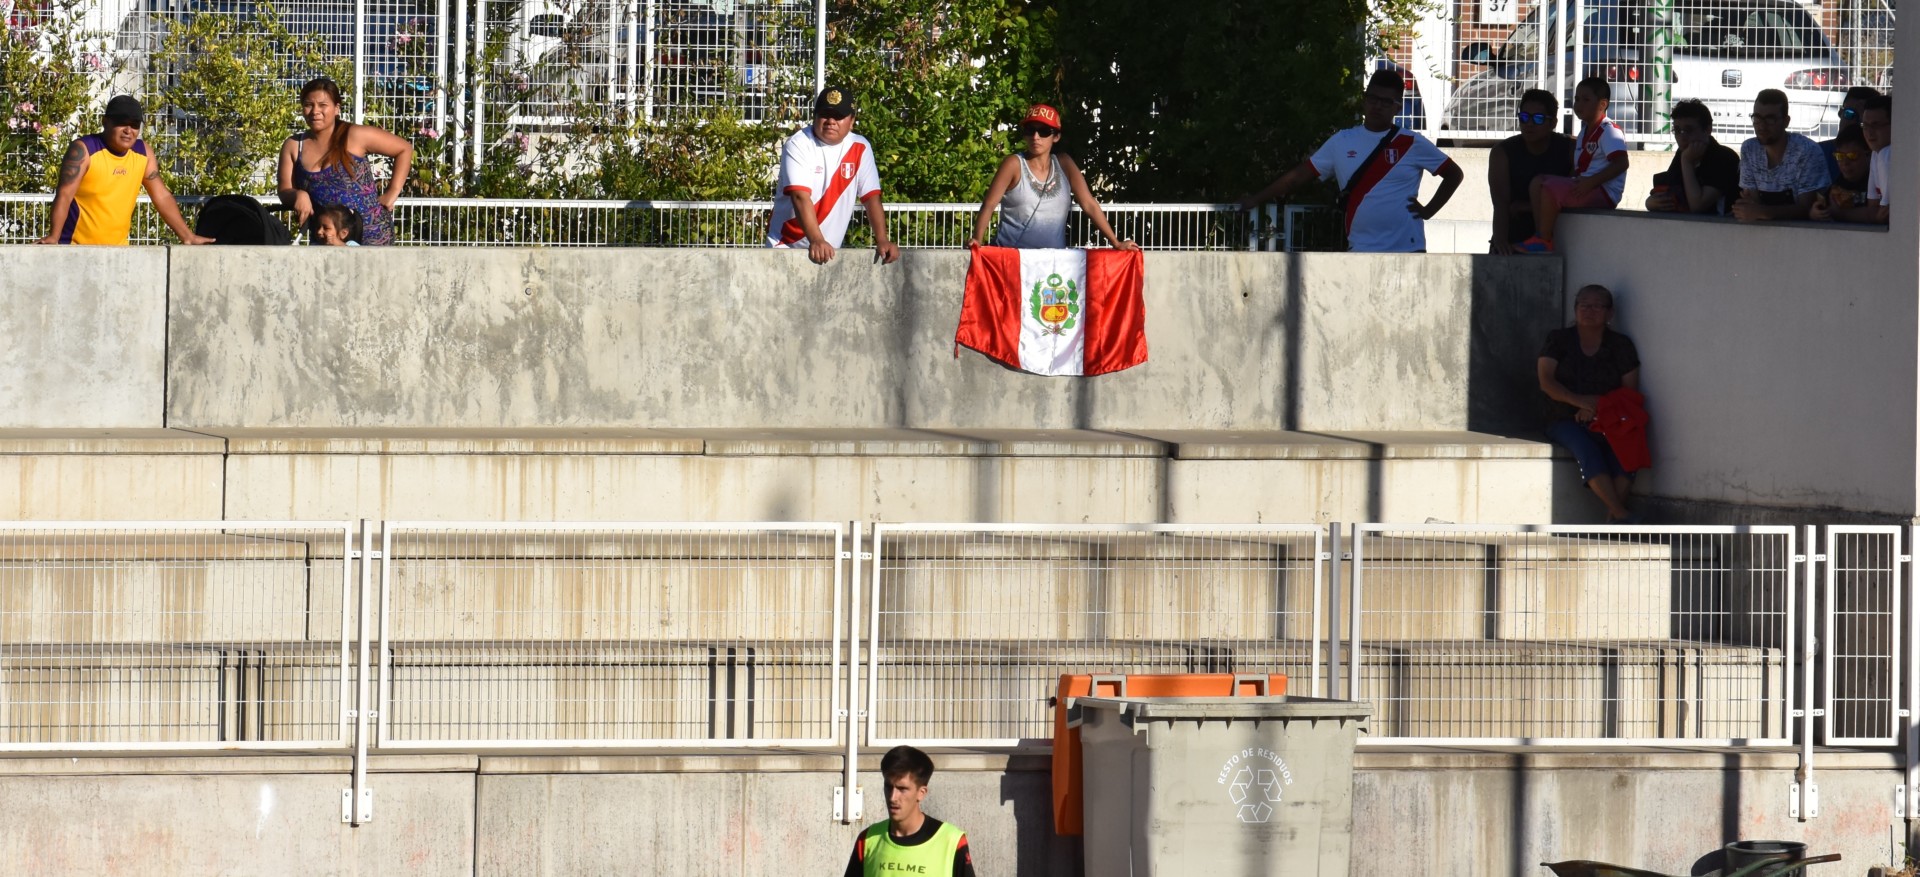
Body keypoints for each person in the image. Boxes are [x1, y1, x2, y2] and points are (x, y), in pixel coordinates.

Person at [1240, 68, 1463, 253]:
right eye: (1372, 98)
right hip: (1360, 249)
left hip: (1407, 248)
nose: (1377, 106)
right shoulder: (1341, 141)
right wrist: (1256, 199)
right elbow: (1298, 177)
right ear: (1364, 100)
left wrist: (1429, 211)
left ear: (1397, 107)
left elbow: (1454, 174)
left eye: (1385, 102)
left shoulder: (1412, 142)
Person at [36, 96, 212, 245]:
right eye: (121, 123)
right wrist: (54, 237)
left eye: (134, 125)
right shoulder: (84, 150)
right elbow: (64, 194)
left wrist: (187, 237)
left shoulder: (143, 153)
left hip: (118, 254)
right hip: (76, 250)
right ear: (105, 122)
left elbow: (162, 196)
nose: (128, 131)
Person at [1538, 284, 1643, 523]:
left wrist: (1597, 409)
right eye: (1584, 304)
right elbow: (1546, 381)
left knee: (1630, 446)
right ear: (1575, 309)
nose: (1589, 310)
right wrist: (1580, 403)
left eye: (1597, 305)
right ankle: (1620, 514)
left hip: (1609, 415)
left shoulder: (1621, 345)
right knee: (1586, 447)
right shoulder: (1558, 339)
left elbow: (1630, 391)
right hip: (1561, 415)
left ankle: (1611, 520)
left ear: (1610, 313)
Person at [968, 104, 1137, 251]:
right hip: (1012, 259)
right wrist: (977, 239)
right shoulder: (1013, 164)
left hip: (1053, 263)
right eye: (1030, 130)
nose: (1036, 137)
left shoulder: (1064, 163)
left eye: (1044, 131)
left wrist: (1116, 242)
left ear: (1056, 136)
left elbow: (1089, 204)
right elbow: (989, 205)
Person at [767, 85, 899, 265]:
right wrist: (816, 239)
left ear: (852, 121)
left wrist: (882, 239)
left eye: (838, 116)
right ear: (815, 117)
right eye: (825, 114)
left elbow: (871, 197)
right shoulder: (798, 144)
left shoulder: (860, 147)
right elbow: (800, 196)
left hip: (828, 252)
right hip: (785, 248)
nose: (831, 121)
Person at [277, 77, 413, 246]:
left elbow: (404, 149)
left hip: (372, 235)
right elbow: (284, 190)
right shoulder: (293, 145)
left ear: (336, 109)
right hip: (325, 239)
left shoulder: (355, 135)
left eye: (323, 105)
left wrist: (392, 192)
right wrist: (298, 194)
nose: (315, 111)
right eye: (308, 104)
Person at [1518, 77, 1629, 253]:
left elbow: (1622, 163)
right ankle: (1540, 235)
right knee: (1537, 182)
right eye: (1577, 99)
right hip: (1586, 185)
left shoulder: (1609, 130)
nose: (1578, 104)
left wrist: (1591, 182)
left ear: (1602, 104)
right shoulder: (1585, 130)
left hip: (1603, 192)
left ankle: (1544, 240)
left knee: (1549, 188)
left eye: (1586, 100)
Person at [843, 745, 974, 877]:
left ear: (921, 793)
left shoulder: (952, 841)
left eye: (902, 789)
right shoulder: (867, 840)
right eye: (888, 787)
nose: (892, 797)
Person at [1489, 89, 1574, 253]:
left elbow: (1574, 198)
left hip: (1559, 241)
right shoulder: (1502, 152)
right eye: (1524, 117)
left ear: (1553, 123)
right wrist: (1499, 241)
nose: (1529, 124)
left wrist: (1526, 207)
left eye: (1538, 118)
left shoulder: (1569, 149)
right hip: (1514, 239)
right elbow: (1500, 205)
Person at [1731, 89, 1829, 222]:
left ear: (1786, 121)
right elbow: (1752, 203)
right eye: (1757, 118)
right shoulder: (1749, 149)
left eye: (1770, 119)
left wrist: (1764, 212)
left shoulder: (1807, 151)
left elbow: (1807, 208)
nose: (1762, 126)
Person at [1644, 98, 1740, 215]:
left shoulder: (1724, 157)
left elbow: (1697, 206)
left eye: (1689, 130)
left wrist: (1686, 162)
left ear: (1707, 130)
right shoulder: (1684, 152)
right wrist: (1651, 202)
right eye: (1677, 130)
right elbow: (1670, 190)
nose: (1682, 137)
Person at [1809, 125, 1873, 222]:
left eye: (1852, 155)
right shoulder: (1836, 187)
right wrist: (1814, 213)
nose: (1845, 162)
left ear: (1868, 155)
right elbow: (1819, 208)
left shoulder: (1875, 184)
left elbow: (1877, 214)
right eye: (1840, 156)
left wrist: (1841, 214)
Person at [1819, 86, 1879, 184]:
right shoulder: (1819, 152)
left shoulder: (1878, 158)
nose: (1854, 121)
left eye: (1863, 119)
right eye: (1849, 113)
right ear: (1840, 113)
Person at [1857, 94, 1892, 225]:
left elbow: (1884, 215)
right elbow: (1873, 208)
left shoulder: (1887, 154)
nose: (1869, 132)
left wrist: (1837, 213)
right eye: (1865, 126)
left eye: (1876, 125)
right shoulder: (1877, 153)